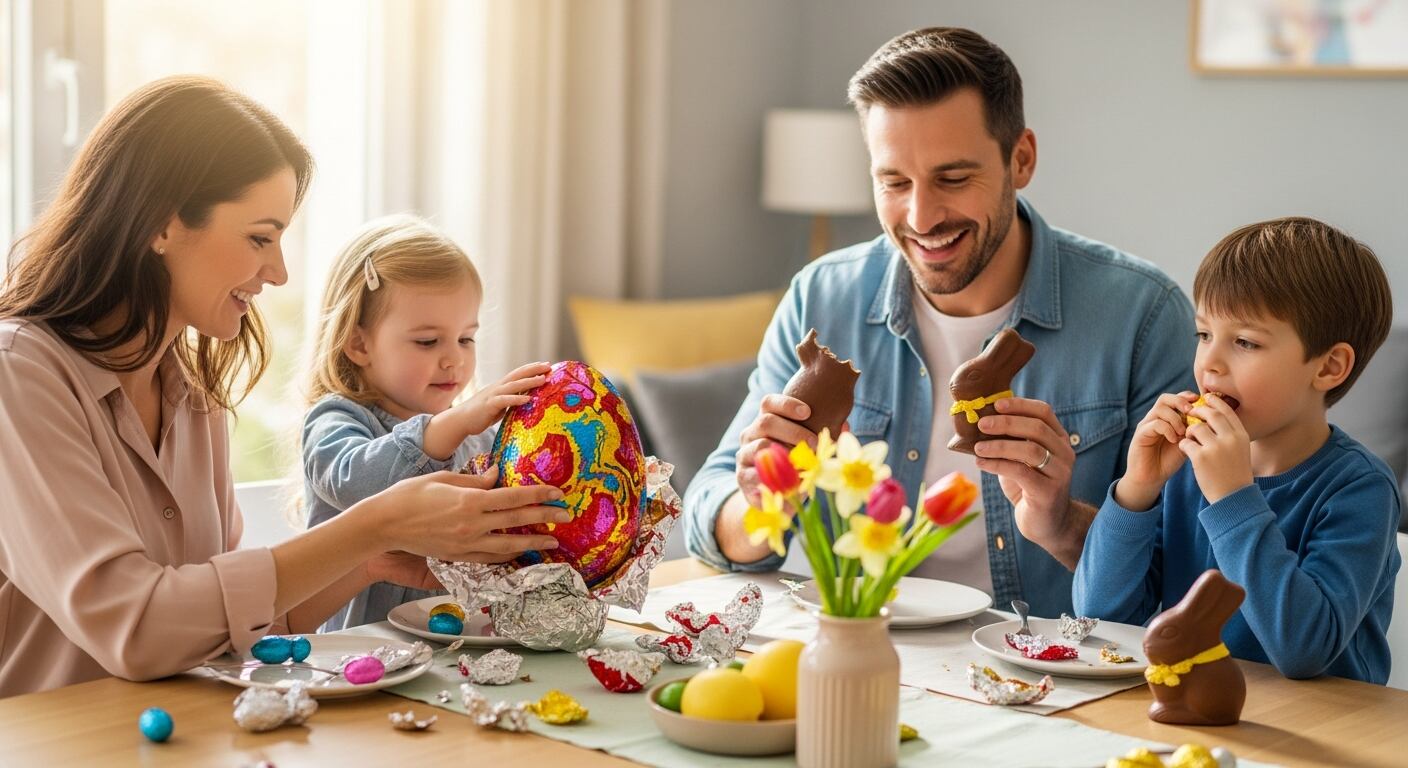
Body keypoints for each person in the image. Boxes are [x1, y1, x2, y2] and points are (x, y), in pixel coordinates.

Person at [0, 77, 566, 697]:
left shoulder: (191, 394)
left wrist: (371, 561)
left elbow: (231, 626)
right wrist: (374, 524)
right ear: (161, 225)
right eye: (259, 237)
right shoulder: (19, 375)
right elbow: (138, 627)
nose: (279, 271)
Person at [684, 27, 1196, 616]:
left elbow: (1182, 573)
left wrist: (1057, 521)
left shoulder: (1141, 316)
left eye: (953, 179)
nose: (921, 216)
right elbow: (707, 513)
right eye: (893, 182)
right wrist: (760, 504)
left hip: (1053, 675)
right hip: (862, 652)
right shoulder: (821, 299)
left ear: (1021, 159)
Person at [1074, 217, 1400, 683]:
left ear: (1329, 367)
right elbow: (1101, 618)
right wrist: (1136, 491)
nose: (1210, 362)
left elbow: (1304, 650)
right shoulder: (1187, 469)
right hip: (1195, 714)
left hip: (1320, 737)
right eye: (1204, 334)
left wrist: (1232, 499)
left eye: (1245, 342)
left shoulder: (1360, 489)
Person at [300, 214, 551, 629]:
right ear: (359, 343)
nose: (454, 358)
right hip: (355, 660)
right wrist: (451, 425)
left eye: (466, 338)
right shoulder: (336, 419)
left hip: (455, 657)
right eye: (427, 341)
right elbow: (354, 483)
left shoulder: (481, 439)